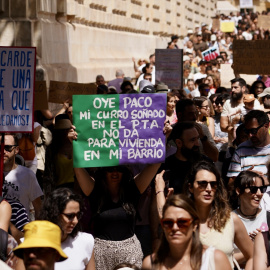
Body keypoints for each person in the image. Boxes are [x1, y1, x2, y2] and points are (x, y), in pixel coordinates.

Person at [183, 161, 253, 269]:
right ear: (190, 187)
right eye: (202, 184)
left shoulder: (230, 220)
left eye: (213, 184)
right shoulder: (181, 222)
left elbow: (252, 256)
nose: (209, 189)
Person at [142, 194, 231, 270]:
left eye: (182, 222)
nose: (175, 227)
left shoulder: (215, 259)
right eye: (168, 222)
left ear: (195, 224)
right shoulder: (150, 264)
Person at [39, 188, 95, 270]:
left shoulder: (86, 241)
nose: (75, 221)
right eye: (70, 216)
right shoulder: (31, 244)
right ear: (54, 214)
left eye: (78, 215)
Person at [2, 134, 43, 218]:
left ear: (16, 150)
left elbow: (38, 208)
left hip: (21, 229)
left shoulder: (27, 175)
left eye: (7, 148)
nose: (3, 151)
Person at [233, 171, 268, 267]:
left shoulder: (268, 217)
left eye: (262, 189)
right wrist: (254, 247)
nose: (259, 193)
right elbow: (222, 258)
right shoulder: (229, 220)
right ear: (238, 191)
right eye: (253, 189)